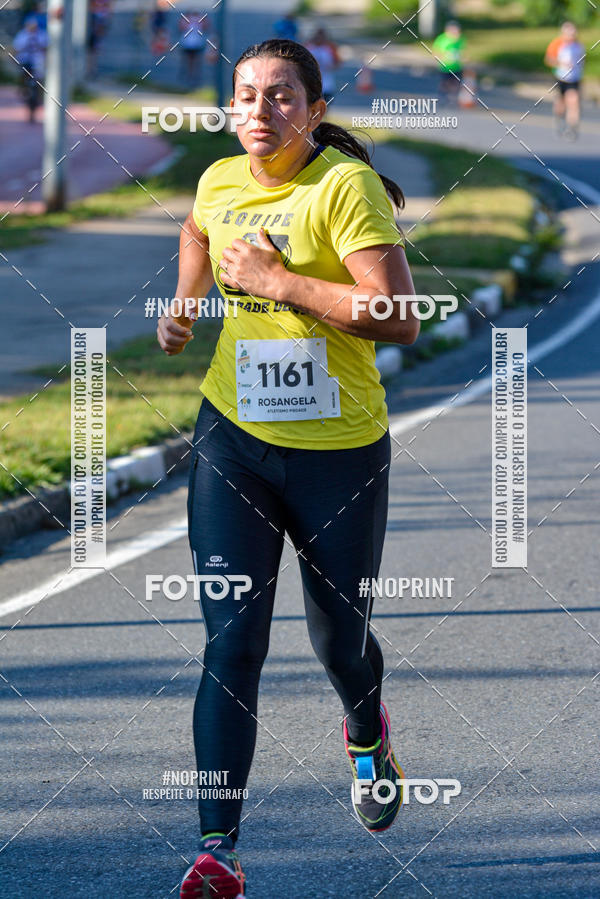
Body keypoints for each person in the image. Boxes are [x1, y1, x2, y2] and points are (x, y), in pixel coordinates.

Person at [157, 38, 420, 898]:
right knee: (232, 641)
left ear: (312, 109)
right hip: (234, 437)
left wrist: (283, 283)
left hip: (338, 453)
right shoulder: (219, 179)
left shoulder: (342, 190)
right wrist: (189, 305)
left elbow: (397, 315)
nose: (259, 112)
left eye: (279, 97)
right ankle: (217, 848)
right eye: (244, 97)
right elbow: (198, 229)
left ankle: (365, 725)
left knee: (338, 641)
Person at [545, 21, 586, 140]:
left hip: (574, 78)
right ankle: (559, 120)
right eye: (569, 34)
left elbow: (582, 61)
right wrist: (561, 63)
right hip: (560, 77)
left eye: (573, 34)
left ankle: (572, 128)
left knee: (573, 101)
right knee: (561, 103)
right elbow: (548, 59)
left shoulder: (579, 46)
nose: (572, 36)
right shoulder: (557, 44)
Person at [13, 16, 47, 122]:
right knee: (23, 74)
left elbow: (46, 48)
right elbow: (16, 48)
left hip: (37, 62)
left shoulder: (42, 34)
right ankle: (23, 87)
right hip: (25, 61)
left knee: (39, 80)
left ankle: (39, 97)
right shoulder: (22, 35)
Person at [432, 20, 465, 103]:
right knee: (445, 82)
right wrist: (441, 57)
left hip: (457, 66)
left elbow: (463, 51)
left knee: (456, 82)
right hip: (445, 66)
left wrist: (463, 58)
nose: (455, 32)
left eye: (456, 30)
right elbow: (436, 51)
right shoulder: (442, 39)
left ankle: (453, 96)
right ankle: (442, 95)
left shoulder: (460, 40)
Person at [305, 27, 340, 104]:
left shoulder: (330, 47)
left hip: (327, 78)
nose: (319, 39)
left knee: (326, 99)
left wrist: (331, 66)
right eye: (318, 36)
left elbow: (337, 62)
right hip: (311, 79)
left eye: (322, 37)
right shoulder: (308, 47)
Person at [178, 10, 209, 87]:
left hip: (197, 43)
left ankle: (194, 76)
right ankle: (188, 75)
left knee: (195, 60)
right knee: (188, 60)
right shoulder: (186, 20)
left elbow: (206, 26)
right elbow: (181, 27)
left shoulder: (200, 20)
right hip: (188, 43)